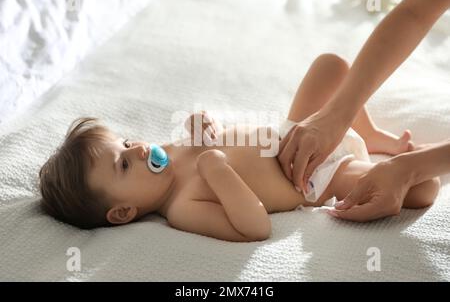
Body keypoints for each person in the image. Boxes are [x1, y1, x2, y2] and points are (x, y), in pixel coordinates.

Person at [38, 54, 440, 242]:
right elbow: (255, 227)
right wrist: (217, 168)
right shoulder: (182, 208)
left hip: (297, 131)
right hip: (317, 176)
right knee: (424, 190)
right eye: (123, 165)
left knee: (330, 66)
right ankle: (378, 157)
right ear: (124, 212)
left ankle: (371, 135)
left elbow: (209, 136)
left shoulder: (166, 153)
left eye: (126, 143)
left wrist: (201, 124)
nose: (139, 150)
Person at [277, 0, 450, 222]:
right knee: (332, 65)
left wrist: (411, 168)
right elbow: (415, 12)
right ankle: (367, 134)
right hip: (306, 151)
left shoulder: (209, 171)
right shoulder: (205, 190)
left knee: (423, 185)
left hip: (315, 175)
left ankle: (368, 138)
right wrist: (335, 116)